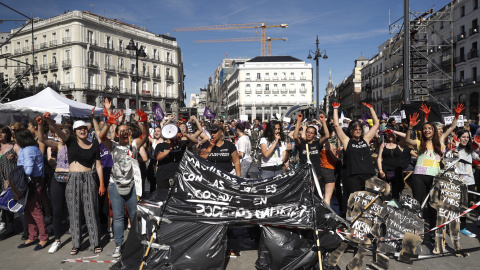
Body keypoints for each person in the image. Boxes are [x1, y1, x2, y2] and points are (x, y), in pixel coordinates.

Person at [45, 113, 106, 255]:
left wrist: (101, 183)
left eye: (84, 128)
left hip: (89, 177)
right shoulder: (70, 141)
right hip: (72, 178)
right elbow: (58, 131)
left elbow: (98, 166)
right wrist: (49, 121)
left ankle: (95, 242)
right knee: (74, 211)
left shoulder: (93, 145)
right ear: (75, 131)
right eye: (79, 129)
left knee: (91, 211)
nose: (82, 130)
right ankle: (76, 244)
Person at [405, 103, 464, 228]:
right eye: (426, 129)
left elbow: (452, 126)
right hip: (419, 175)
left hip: (434, 176)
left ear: (434, 131)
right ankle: (414, 228)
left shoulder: (441, 140)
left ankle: (432, 229)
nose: (427, 130)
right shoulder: (420, 141)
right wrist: (410, 127)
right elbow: (408, 140)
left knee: (433, 204)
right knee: (417, 202)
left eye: (431, 129)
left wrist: (457, 114)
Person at [99, 108, 148, 258]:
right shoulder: (112, 145)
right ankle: (119, 245)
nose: (124, 132)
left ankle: (135, 243)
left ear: (130, 132)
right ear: (117, 133)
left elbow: (145, 135)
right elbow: (102, 137)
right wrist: (108, 124)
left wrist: (143, 122)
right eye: (121, 130)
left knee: (134, 216)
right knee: (119, 217)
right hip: (115, 185)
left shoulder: (134, 145)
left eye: (126, 130)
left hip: (132, 185)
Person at [37, 118, 73, 253]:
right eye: (57, 133)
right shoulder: (58, 145)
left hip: (71, 178)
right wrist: (40, 125)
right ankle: (57, 239)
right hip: (57, 179)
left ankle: (75, 234)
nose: (58, 135)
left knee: (73, 209)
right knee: (57, 211)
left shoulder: (73, 145)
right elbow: (42, 139)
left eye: (61, 133)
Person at [332, 102, 380, 201]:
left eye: (359, 129)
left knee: (367, 199)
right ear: (351, 131)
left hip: (367, 173)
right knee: (355, 200)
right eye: (355, 129)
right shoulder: (346, 141)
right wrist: (335, 109)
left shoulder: (366, 139)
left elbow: (376, 124)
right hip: (353, 175)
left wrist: (371, 109)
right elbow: (336, 126)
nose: (358, 131)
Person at [15, 128, 49, 251]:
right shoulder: (29, 148)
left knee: (35, 210)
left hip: (32, 181)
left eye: (16, 137)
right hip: (32, 181)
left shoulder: (28, 150)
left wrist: (18, 172)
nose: (14, 140)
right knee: (29, 209)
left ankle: (43, 237)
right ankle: (33, 235)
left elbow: (28, 170)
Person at [155, 115, 203, 190]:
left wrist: (186, 134)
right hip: (163, 176)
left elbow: (195, 141)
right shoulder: (161, 145)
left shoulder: (182, 144)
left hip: (179, 176)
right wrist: (170, 149)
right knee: (162, 196)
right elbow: (158, 157)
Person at [293, 113, 331, 202]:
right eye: (308, 132)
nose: (309, 134)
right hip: (304, 174)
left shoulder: (317, 144)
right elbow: (295, 137)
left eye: (311, 133)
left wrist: (323, 122)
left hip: (316, 174)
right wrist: (298, 122)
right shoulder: (302, 144)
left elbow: (327, 136)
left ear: (314, 135)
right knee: (305, 196)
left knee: (316, 197)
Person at [454, 130, 480, 237]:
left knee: (466, 205)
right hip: (457, 181)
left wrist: (478, 146)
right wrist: (454, 148)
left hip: (469, 182)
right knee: (456, 204)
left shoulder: (470, 150)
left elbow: (478, 158)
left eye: (467, 137)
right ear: (458, 138)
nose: (465, 139)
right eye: (463, 137)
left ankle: (463, 227)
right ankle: (453, 225)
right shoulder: (454, 149)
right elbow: (450, 157)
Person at [0, 125, 18, 240]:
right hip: (0, 178)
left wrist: (14, 158)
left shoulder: (13, 146)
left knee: (9, 202)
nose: (0, 134)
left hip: (10, 178)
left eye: (2, 132)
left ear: (7, 134)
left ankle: (10, 228)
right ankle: (6, 224)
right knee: (2, 203)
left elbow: (21, 161)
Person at [377, 129, 404, 200]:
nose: (390, 135)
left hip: (396, 171)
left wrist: (393, 131)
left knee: (396, 190)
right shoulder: (383, 144)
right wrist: (380, 170)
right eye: (389, 134)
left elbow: (406, 136)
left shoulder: (399, 145)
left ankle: (395, 206)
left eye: (392, 134)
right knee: (382, 190)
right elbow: (379, 158)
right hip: (385, 170)